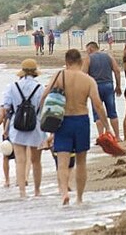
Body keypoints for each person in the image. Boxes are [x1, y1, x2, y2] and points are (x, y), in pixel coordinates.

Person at [40, 49, 113, 206]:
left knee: (62, 162)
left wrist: (41, 117)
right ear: (80, 62)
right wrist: (107, 127)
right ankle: (79, 198)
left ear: (67, 62)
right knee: (81, 162)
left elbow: (44, 95)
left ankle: (64, 193)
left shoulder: (59, 76)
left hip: (63, 122)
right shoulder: (88, 80)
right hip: (81, 121)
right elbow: (98, 105)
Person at [2, 59, 45, 198]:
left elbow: (6, 108)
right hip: (36, 127)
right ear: (35, 72)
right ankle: (37, 191)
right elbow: (43, 109)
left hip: (17, 127)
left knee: (20, 160)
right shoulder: (40, 88)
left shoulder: (12, 87)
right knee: (36, 161)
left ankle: (22, 192)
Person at [82, 42, 122, 138]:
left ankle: (102, 136)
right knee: (112, 112)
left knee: (97, 113)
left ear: (91, 49)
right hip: (108, 85)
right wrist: (118, 85)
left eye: (87, 50)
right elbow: (117, 70)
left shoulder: (89, 58)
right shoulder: (108, 56)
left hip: (95, 87)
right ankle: (117, 136)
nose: (87, 52)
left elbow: (83, 74)